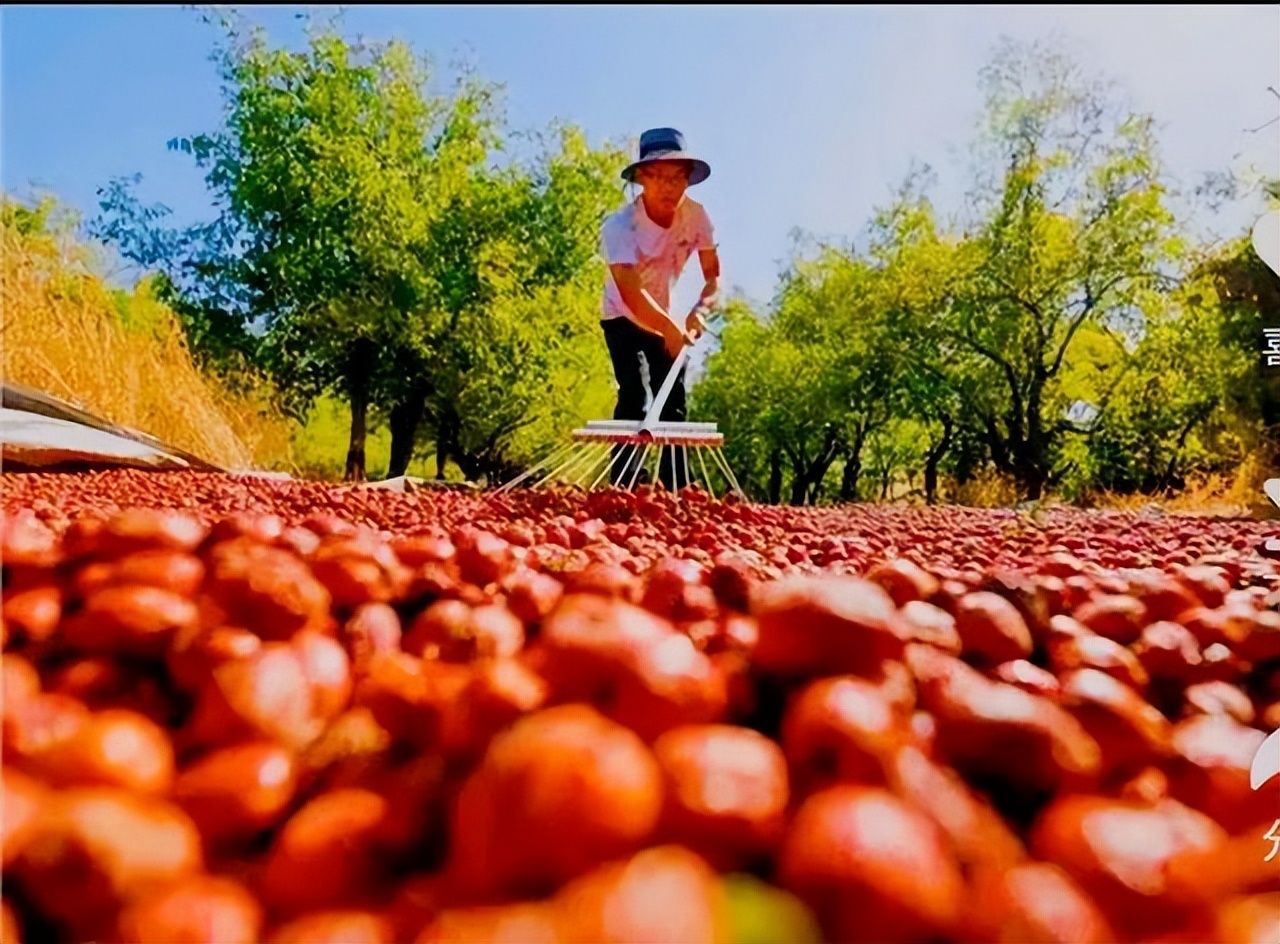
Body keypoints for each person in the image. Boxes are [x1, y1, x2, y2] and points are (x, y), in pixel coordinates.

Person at [599, 127, 720, 490]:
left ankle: (675, 487)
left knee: (674, 397)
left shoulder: (697, 216)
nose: (670, 187)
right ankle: (625, 484)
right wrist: (668, 326)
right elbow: (630, 290)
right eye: (660, 176)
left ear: (688, 179)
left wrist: (701, 308)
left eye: (677, 177)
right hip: (621, 313)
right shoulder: (620, 226)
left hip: (665, 314)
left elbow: (713, 277)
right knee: (634, 394)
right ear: (642, 179)